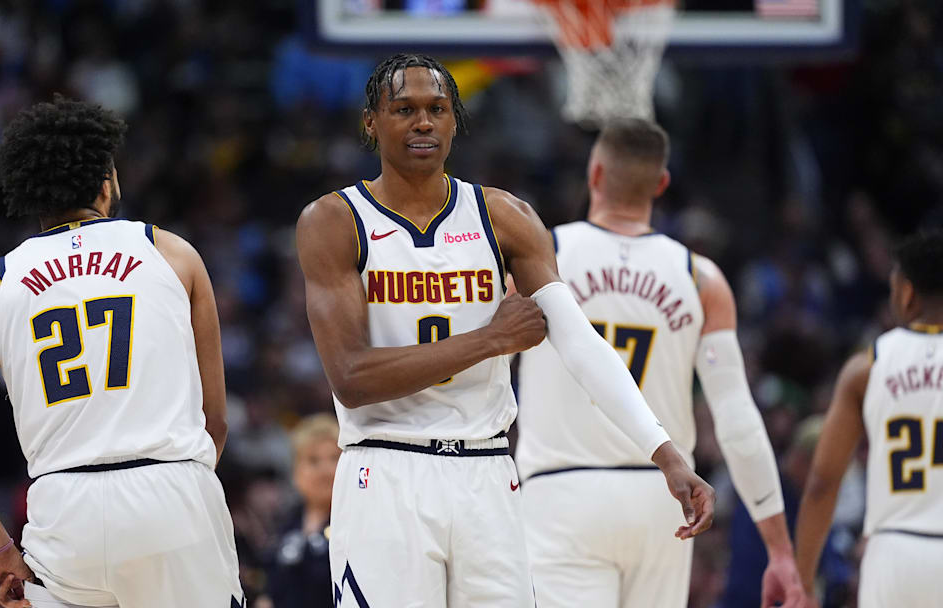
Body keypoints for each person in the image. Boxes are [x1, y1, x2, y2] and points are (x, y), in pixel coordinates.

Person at [295, 54, 715, 607]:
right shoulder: (333, 220)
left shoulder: (504, 216)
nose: (423, 122)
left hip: (486, 471)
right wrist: (491, 339)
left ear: (454, 121)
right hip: (384, 468)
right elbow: (352, 377)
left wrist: (665, 452)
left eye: (436, 109)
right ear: (371, 122)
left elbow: (581, 343)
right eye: (404, 109)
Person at [0, 96, 244, 608]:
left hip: (62, 510)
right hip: (170, 491)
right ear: (105, 182)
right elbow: (217, 420)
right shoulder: (171, 253)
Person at [515, 119, 804, 608]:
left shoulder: (543, 254)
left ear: (594, 173)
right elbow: (736, 420)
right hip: (666, 496)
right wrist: (779, 549)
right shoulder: (701, 277)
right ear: (662, 184)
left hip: (561, 493)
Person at [795, 231, 943, 608]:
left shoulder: (867, 367)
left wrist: (804, 581)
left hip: (893, 554)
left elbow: (823, 482)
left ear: (906, 293)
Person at [266, 414, 341, 608]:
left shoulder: (355, 525)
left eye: (335, 459)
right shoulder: (285, 524)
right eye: (313, 461)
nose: (326, 470)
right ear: (295, 472)